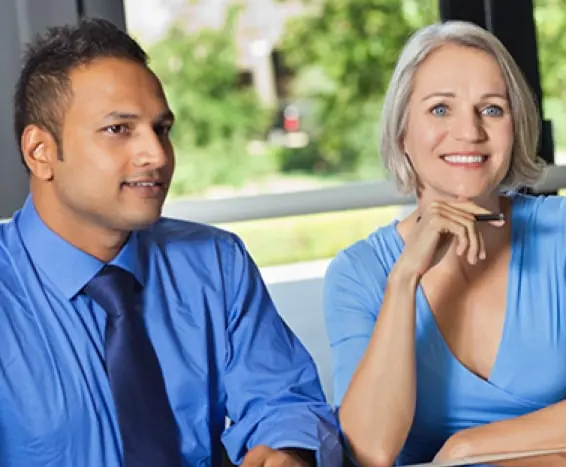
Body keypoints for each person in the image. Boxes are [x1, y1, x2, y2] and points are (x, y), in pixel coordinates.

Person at [0, 18, 342, 467]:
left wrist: (289, 452)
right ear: (40, 151)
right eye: (119, 129)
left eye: (161, 129)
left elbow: (283, 401)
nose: (157, 156)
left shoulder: (216, 263)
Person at [324, 20, 566, 467]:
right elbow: (370, 450)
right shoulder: (358, 273)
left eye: (492, 109)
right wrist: (404, 279)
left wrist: (467, 448)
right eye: (440, 109)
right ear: (402, 133)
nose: (469, 132)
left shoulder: (560, 233)